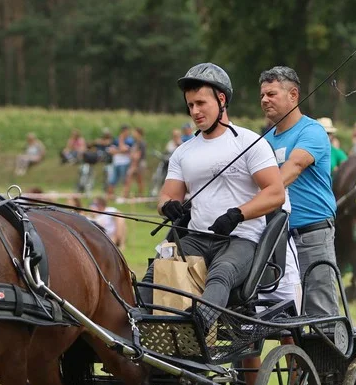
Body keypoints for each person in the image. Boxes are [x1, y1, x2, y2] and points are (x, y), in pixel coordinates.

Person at [143, 63, 285, 330]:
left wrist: (237, 214)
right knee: (156, 273)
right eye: (190, 105)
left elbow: (275, 193)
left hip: (241, 240)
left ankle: (197, 328)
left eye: (200, 103)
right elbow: (166, 196)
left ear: (221, 100)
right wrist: (168, 206)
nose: (194, 111)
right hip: (196, 238)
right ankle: (136, 331)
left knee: (221, 274)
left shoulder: (249, 142)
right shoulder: (184, 152)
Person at [259, 65, 341, 319]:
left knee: (320, 310)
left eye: (271, 94)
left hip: (312, 234)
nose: (264, 100)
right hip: (277, 239)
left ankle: (331, 359)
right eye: (262, 95)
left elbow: (292, 169)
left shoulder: (311, 131)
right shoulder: (266, 140)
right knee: (281, 313)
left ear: (293, 95)